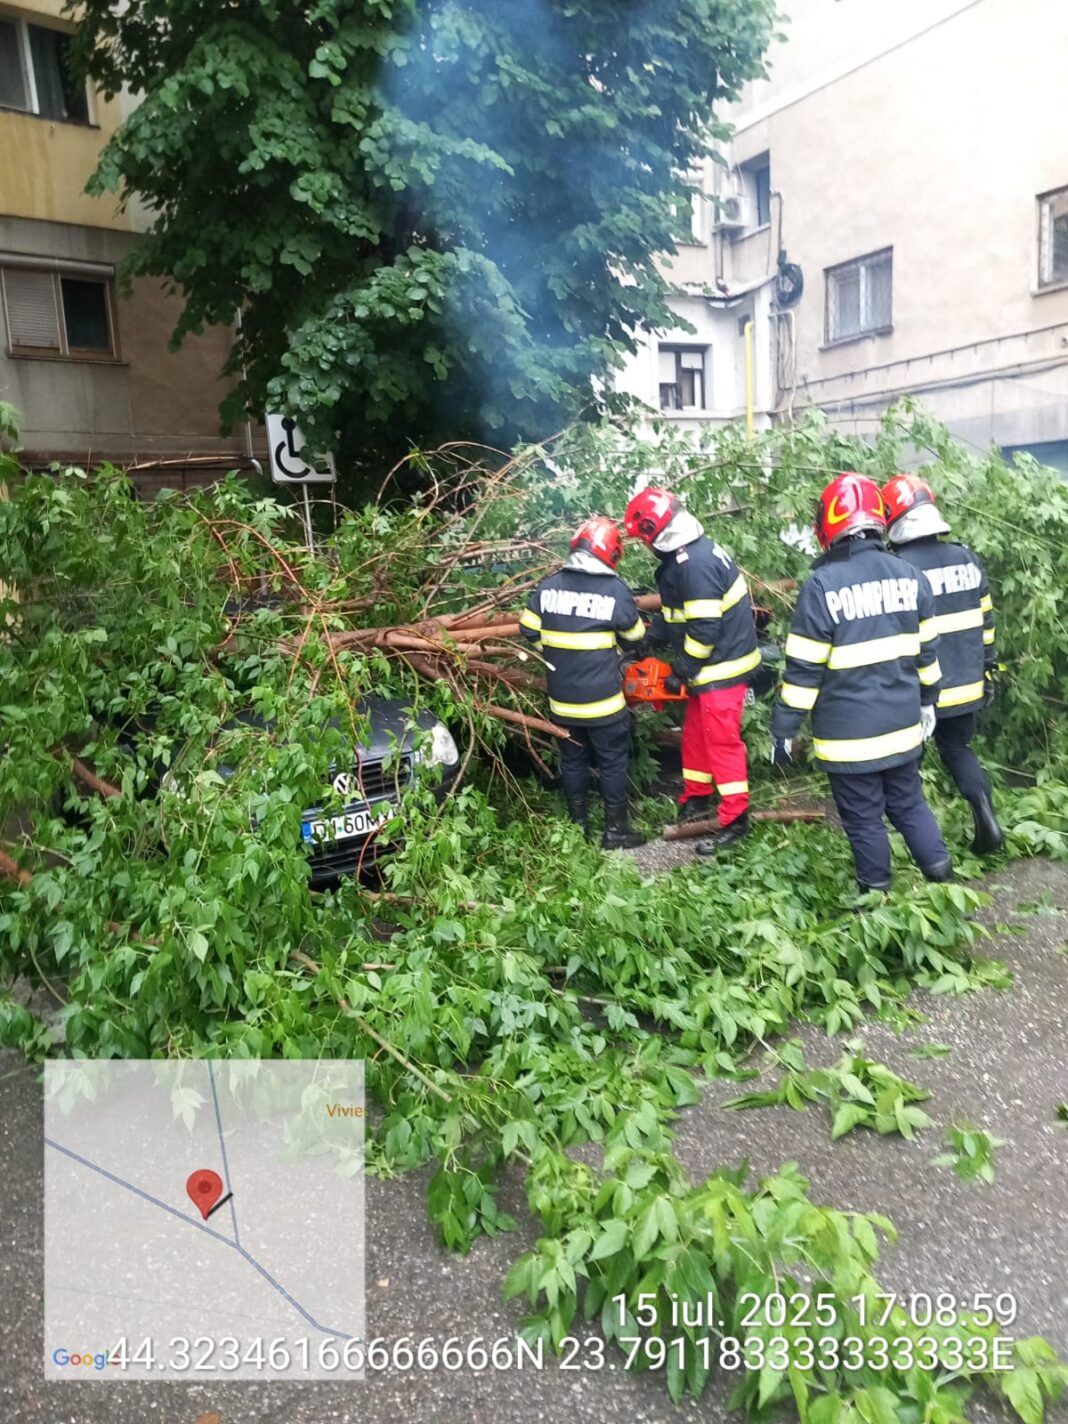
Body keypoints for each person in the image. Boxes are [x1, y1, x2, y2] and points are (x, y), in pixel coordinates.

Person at [770, 472, 953, 894]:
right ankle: (944, 879)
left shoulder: (821, 586)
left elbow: (803, 671)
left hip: (848, 739)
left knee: (864, 817)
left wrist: (784, 730)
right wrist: (928, 702)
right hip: (904, 726)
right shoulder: (911, 576)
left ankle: (876, 897)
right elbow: (927, 655)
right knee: (909, 804)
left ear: (829, 525)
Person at [623, 486, 760, 854]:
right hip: (708, 667)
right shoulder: (682, 560)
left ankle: (735, 820)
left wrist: (680, 671)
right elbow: (676, 616)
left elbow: (704, 629)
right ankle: (696, 799)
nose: (644, 545)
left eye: (644, 539)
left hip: (721, 667)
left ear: (657, 533)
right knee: (696, 736)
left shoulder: (695, 565)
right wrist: (651, 638)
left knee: (721, 742)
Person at [882, 474, 1004, 854]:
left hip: (921, 688)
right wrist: (989, 669)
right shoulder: (967, 559)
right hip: (967, 682)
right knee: (958, 750)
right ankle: (985, 815)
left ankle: (922, 842)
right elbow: (986, 624)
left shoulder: (899, 569)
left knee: (906, 763)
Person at [519, 516, 646, 849]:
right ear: (611, 553)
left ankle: (579, 829)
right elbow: (636, 636)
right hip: (604, 703)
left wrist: (555, 653)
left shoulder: (548, 587)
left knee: (573, 761)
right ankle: (616, 831)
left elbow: (528, 628)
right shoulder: (614, 590)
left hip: (562, 702)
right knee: (612, 763)